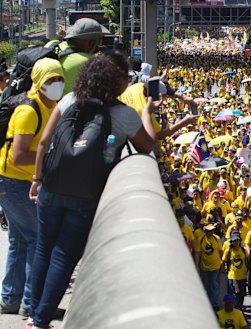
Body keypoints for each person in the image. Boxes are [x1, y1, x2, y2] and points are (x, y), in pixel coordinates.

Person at [27, 52, 158, 329]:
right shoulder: (124, 114)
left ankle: (31, 309)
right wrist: (147, 113)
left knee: (43, 249)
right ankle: (39, 321)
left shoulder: (69, 100)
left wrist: (37, 179)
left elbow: (44, 142)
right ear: (117, 82)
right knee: (63, 256)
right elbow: (148, 146)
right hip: (86, 195)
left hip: (51, 186)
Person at [0, 58, 64, 316]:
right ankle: (32, 302)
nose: (56, 84)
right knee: (37, 238)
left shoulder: (52, 105)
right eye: (50, 80)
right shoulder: (29, 110)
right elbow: (19, 155)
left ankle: (11, 299)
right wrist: (52, 162)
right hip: (13, 180)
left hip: (19, 180)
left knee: (20, 240)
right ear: (38, 82)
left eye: (59, 79)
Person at [55, 18, 111, 95]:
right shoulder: (88, 62)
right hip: (67, 105)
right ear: (91, 43)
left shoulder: (53, 46)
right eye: (99, 41)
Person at [221, 233, 248, 309]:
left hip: (242, 276)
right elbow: (223, 261)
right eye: (234, 241)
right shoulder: (228, 251)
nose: (236, 242)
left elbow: (248, 261)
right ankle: (234, 308)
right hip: (232, 276)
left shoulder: (244, 250)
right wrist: (222, 270)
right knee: (233, 294)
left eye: (237, 240)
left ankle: (239, 307)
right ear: (231, 242)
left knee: (242, 294)